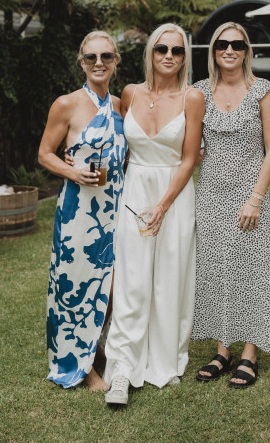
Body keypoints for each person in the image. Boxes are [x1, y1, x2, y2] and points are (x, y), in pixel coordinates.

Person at [104, 23, 205, 405]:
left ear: (184, 57)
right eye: (162, 48)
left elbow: (190, 159)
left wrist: (162, 206)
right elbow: (111, 141)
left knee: (169, 278)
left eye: (177, 51)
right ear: (150, 52)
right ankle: (123, 367)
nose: (169, 56)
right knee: (131, 277)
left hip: (173, 195)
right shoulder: (130, 93)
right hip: (135, 191)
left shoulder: (192, 98)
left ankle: (164, 361)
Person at [192, 21, 270, 389]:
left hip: (249, 196)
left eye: (237, 44)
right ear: (213, 51)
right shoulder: (199, 91)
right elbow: (187, 142)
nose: (229, 50)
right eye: (222, 44)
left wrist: (255, 199)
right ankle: (222, 350)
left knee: (250, 271)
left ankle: (249, 353)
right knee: (214, 271)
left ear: (246, 51)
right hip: (209, 195)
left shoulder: (263, 91)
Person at [38, 31, 127, 390]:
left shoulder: (120, 105)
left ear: (116, 61)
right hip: (79, 210)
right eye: (91, 57)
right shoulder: (67, 104)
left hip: (115, 207)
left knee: (112, 286)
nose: (99, 63)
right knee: (76, 283)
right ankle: (82, 367)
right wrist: (72, 171)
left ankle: (97, 347)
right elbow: (44, 153)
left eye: (106, 56)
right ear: (82, 63)